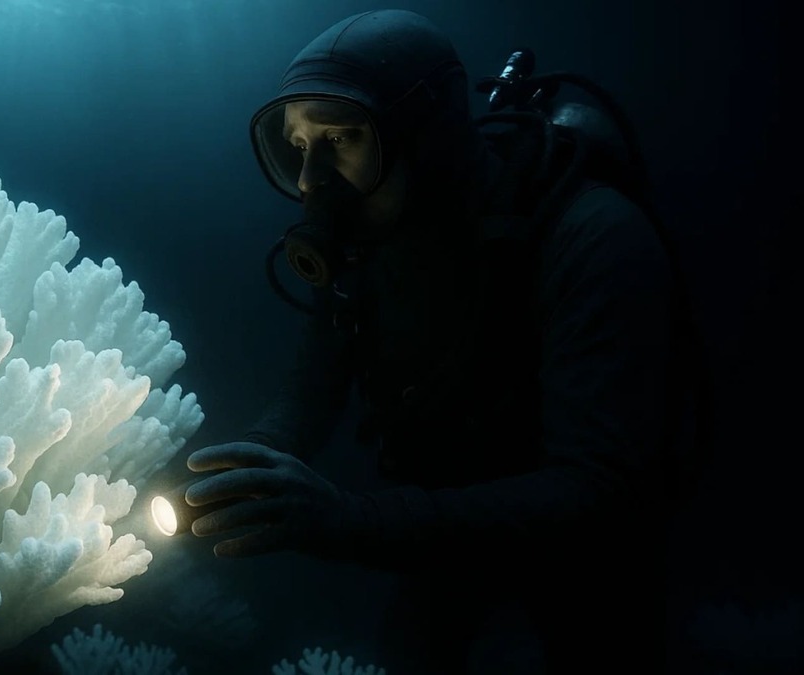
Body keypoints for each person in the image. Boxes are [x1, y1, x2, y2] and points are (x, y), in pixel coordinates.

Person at [181, 9, 702, 675]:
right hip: (438, 531)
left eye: (339, 138)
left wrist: (346, 519)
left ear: (421, 136)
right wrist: (246, 466)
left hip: (587, 556)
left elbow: (596, 491)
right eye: (296, 146)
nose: (311, 181)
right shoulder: (364, 242)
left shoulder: (594, 237)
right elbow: (310, 393)